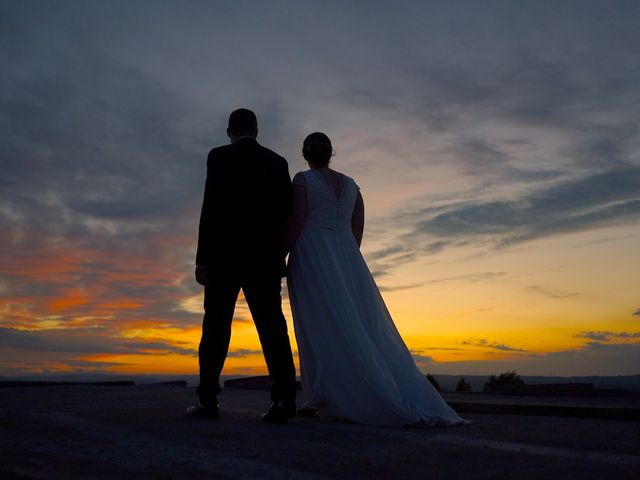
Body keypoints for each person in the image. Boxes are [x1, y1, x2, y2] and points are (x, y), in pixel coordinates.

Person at [286, 132, 468, 427]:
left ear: (306, 155)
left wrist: (282, 252)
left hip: (313, 253)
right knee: (356, 320)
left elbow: (297, 220)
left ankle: (323, 393)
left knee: (317, 322)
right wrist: (345, 259)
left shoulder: (303, 181)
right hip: (347, 256)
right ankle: (327, 392)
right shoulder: (352, 186)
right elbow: (356, 230)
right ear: (331, 153)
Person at [188, 108, 297, 423]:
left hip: (223, 259)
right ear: (257, 131)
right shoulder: (277, 162)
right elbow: (286, 211)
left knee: (216, 329)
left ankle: (208, 401)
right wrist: (279, 254)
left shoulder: (218, 157)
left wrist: (202, 260)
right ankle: (284, 400)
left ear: (229, 132)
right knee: (272, 328)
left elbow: (211, 209)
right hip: (264, 259)